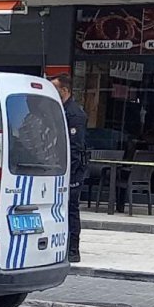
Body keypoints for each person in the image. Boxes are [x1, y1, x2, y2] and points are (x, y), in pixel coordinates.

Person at [51, 74, 86, 263]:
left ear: (64, 91)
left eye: (54, 89)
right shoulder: (61, 110)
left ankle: (73, 249)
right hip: (62, 168)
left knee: (71, 207)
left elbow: (75, 148)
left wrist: (69, 174)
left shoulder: (74, 114)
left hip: (73, 169)